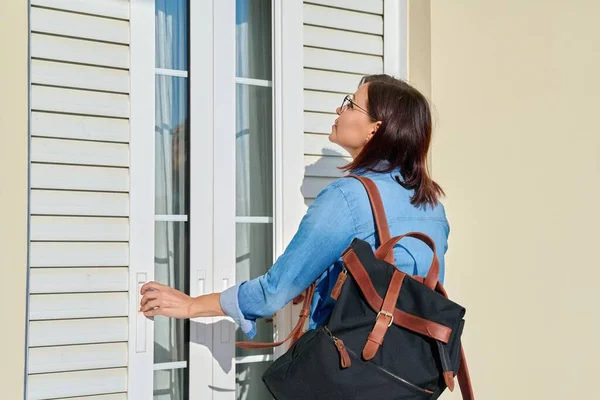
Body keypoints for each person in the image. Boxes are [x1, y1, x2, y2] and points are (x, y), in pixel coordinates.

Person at [140, 74, 450, 340]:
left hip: (352, 375)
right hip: (407, 377)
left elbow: (274, 292)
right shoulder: (431, 205)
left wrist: (192, 305)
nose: (339, 110)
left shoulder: (349, 197)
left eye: (351, 104)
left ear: (374, 129)